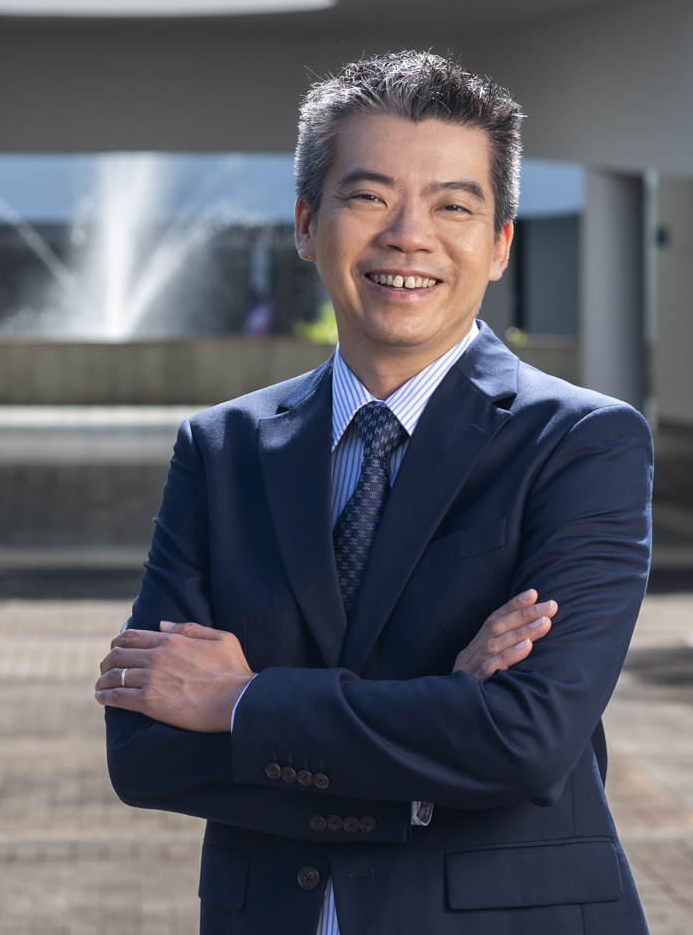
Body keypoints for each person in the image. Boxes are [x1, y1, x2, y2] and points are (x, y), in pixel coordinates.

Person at [97, 51, 654, 933]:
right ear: (305, 222)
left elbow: (524, 740)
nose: (408, 235)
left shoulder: (579, 443)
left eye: (453, 206)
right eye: (368, 198)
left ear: (500, 243)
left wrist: (239, 702)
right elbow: (147, 752)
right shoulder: (223, 449)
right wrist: (440, 714)